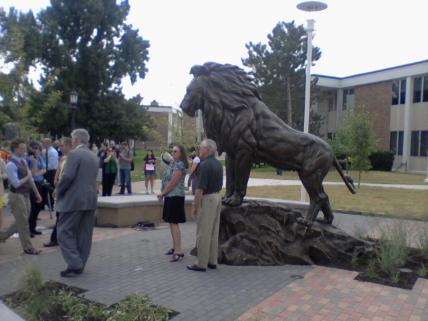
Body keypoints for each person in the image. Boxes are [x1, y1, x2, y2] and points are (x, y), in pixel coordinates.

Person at [55, 129, 98, 277]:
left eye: (72, 140)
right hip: (91, 199)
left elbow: (67, 176)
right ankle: (79, 263)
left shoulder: (74, 154)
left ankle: (75, 263)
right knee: (84, 233)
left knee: (63, 231)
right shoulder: (94, 156)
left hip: (74, 199)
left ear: (76, 140)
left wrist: (58, 190)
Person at [0, 139, 42, 255]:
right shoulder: (10, 164)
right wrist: (28, 176)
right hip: (16, 195)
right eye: (22, 148)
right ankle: (28, 248)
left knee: (21, 221)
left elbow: (31, 179)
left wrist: (37, 193)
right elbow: (16, 183)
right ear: (15, 149)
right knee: (23, 223)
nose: (24, 150)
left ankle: (2, 236)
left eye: (24, 148)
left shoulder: (23, 161)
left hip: (26, 194)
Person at [187, 139, 223, 272]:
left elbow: (199, 189)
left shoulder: (205, 165)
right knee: (214, 231)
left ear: (207, 150)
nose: (198, 150)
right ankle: (212, 261)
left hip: (207, 199)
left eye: (200, 147)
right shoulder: (218, 164)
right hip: (217, 197)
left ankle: (201, 263)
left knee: (203, 232)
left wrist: (194, 206)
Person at [158, 144, 188, 262]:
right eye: (172, 151)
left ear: (181, 153)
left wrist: (162, 193)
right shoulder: (174, 164)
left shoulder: (179, 165)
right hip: (170, 196)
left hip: (175, 196)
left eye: (175, 151)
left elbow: (173, 182)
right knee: (171, 222)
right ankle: (174, 247)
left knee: (174, 223)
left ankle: (178, 251)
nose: (173, 153)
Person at [44, 137, 73, 248]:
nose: (60, 147)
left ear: (68, 146)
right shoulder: (62, 158)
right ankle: (56, 238)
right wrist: (55, 182)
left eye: (62, 145)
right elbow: (59, 171)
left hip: (67, 191)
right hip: (60, 188)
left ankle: (56, 238)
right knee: (59, 214)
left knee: (61, 215)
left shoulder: (73, 158)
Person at [27, 142, 46, 237]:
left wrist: (38, 173)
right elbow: (32, 173)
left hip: (40, 182)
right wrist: (37, 172)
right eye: (38, 149)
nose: (39, 151)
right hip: (32, 184)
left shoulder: (40, 158)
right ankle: (29, 228)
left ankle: (33, 227)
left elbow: (44, 169)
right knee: (33, 206)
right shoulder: (29, 159)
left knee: (39, 205)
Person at [42, 138, 59, 210]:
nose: (43, 144)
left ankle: (51, 204)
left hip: (51, 171)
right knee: (44, 188)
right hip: (45, 171)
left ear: (48, 143)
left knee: (50, 187)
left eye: (44, 143)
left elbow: (52, 164)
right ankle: (44, 203)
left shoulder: (53, 152)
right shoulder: (44, 151)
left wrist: (43, 168)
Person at [0, 157, 7, 229]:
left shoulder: (1, 161)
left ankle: (1, 230)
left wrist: (1, 176)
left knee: (0, 209)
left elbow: (6, 175)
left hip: (0, 191)